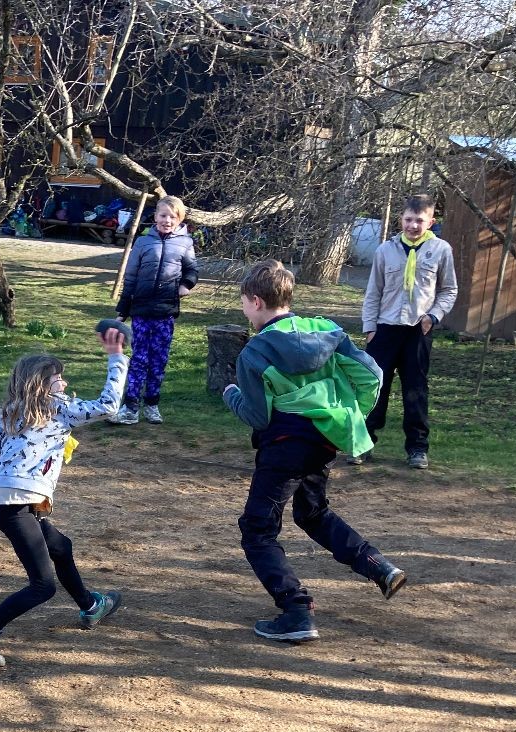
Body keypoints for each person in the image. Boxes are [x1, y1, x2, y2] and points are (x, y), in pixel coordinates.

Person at [223, 260, 407, 643]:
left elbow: (257, 416)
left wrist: (232, 395)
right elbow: (373, 374)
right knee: (312, 513)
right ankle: (378, 566)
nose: (244, 311)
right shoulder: (327, 330)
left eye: (243, 303)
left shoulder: (255, 352)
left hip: (282, 446)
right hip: (322, 440)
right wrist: (348, 412)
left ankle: (296, 610)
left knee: (257, 531)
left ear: (256, 301)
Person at [0, 326, 130, 669]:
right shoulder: (58, 409)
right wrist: (116, 357)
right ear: (41, 384)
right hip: (15, 509)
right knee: (42, 586)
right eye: (59, 379)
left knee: (62, 547)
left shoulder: (8, 414)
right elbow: (108, 406)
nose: (65, 385)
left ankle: (91, 605)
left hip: (16, 505)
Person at [359, 193, 458, 469]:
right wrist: (370, 328)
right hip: (385, 329)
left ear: (431, 221)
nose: (413, 225)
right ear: (401, 219)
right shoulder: (385, 250)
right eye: (408, 219)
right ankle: (363, 443)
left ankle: (417, 448)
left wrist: (434, 316)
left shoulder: (441, 250)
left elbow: (449, 290)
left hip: (418, 330)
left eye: (419, 221)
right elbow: (373, 292)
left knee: (415, 389)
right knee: (374, 388)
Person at [111, 195, 199, 426]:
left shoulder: (185, 243)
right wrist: (123, 311)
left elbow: (192, 270)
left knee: (158, 360)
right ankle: (131, 407)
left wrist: (186, 285)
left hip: (165, 312)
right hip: (141, 310)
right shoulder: (143, 243)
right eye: (163, 215)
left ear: (179, 220)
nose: (167, 220)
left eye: (173, 217)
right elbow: (130, 277)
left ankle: (152, 404)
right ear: (155, 216)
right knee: (139, 359)